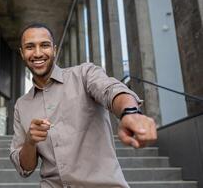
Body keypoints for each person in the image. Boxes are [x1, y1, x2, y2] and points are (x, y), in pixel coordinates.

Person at [10, 23, 157, 188]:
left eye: (44, 45)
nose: (37, 53)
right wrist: (30, 142)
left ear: (54, 50)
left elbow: (111, 90)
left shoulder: (84, 74)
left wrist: (130, 112)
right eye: (30, 47)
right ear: (22, 53)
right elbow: (25, 168)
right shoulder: (21, 106)